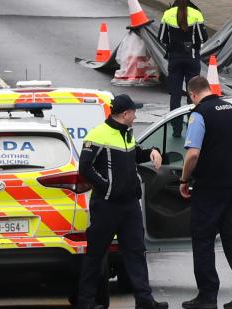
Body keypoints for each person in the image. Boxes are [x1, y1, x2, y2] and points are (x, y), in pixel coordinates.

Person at [178, 76, 232, 309]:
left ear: (192, 94)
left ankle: (207, 296)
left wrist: (184, 179)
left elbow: (193, 154)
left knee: (203, 239)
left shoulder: (199, 113)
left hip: (210, 186)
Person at [77, 94, 168, 309]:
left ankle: (145, 302)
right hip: (106, 205)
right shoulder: (98, 134)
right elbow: (85, 167)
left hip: (129, 205)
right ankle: (86, 303)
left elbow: (135, 153)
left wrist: (152, 152)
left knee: (136, 252)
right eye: (134, 113)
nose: (136, 116)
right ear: (125, 114)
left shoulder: (127, 133)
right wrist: (107, 186)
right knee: (96, 254)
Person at [158, 0, 208, 138]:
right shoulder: (196, 14)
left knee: (175, 95)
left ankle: (176, 130)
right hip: (191, 59)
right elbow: (203, 38)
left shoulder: (167, 14)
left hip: (174, 60)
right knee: (192, 95)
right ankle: (192, 129)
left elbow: (161, 37)